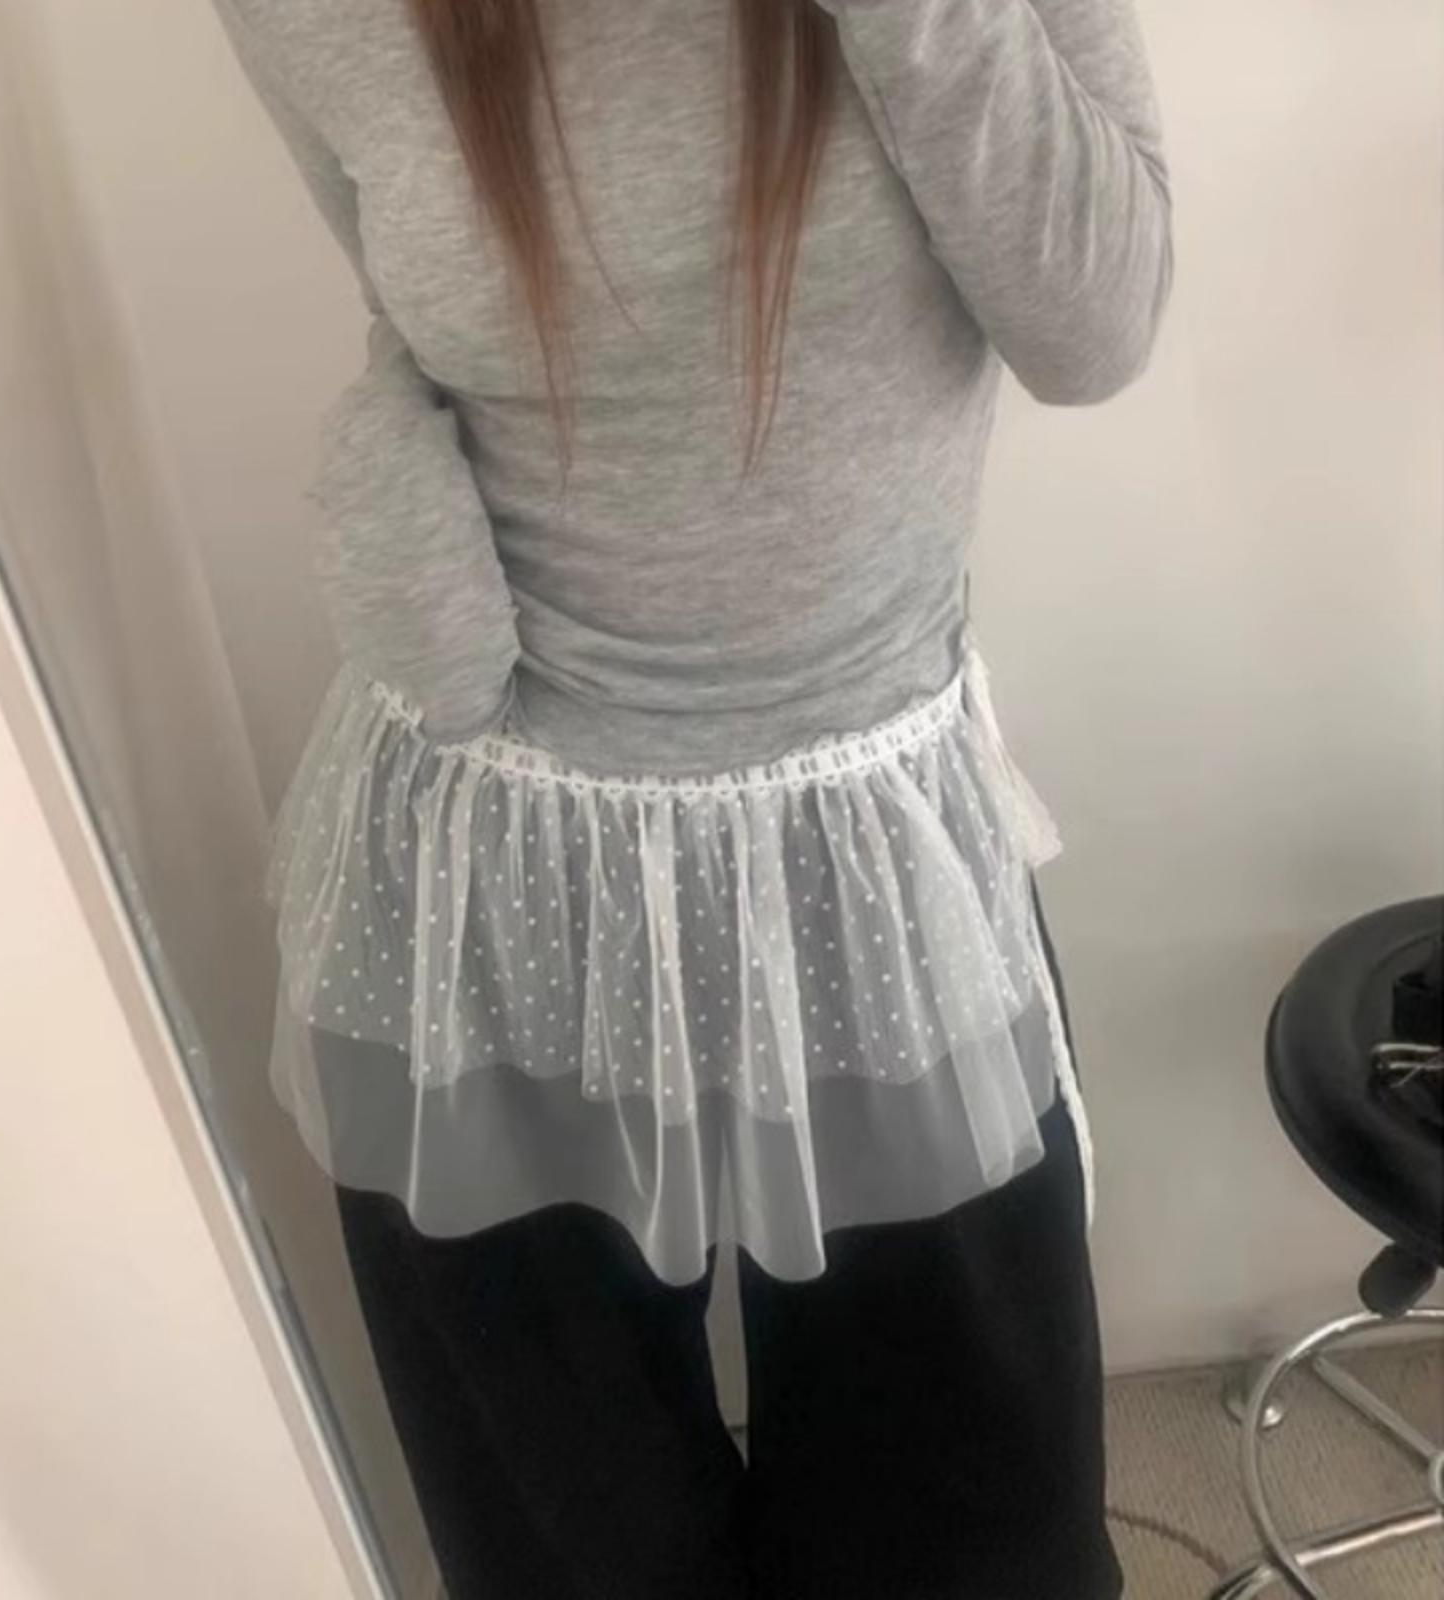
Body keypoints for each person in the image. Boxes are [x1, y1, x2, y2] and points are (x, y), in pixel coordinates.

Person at [211, 2, 1173, 1595]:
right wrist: (390, 500)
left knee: (978, 1538)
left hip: (869, 869)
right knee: (577, 1550)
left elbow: (1095, 325)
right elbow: (417, 304)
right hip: (493, 879)